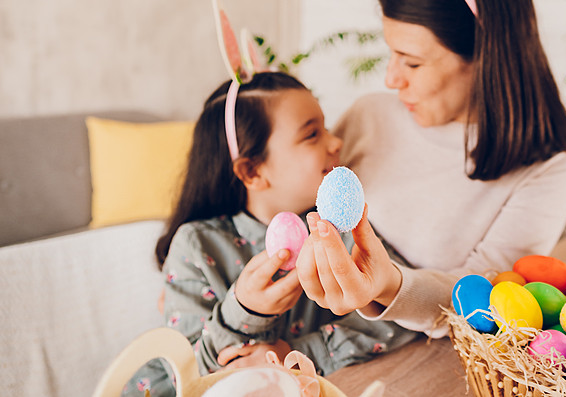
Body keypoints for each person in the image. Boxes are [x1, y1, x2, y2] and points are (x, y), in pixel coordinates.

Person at [296, 0, 566, 337]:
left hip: (418, 354)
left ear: (485, 56)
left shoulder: (548, 165)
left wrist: (389, 286)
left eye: (412, 62)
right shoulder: (370, 115)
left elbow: (488, 297)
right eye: (391, 54)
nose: (391, 79)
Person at [122, 72, 417, 396]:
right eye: (312, 135)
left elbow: (404, 311)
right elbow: (186, 372)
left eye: (326, 127)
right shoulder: (198, 245)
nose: (336, 142)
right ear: (253, 171)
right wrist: (245, 311)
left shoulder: (338, 234)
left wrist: (295, 355)